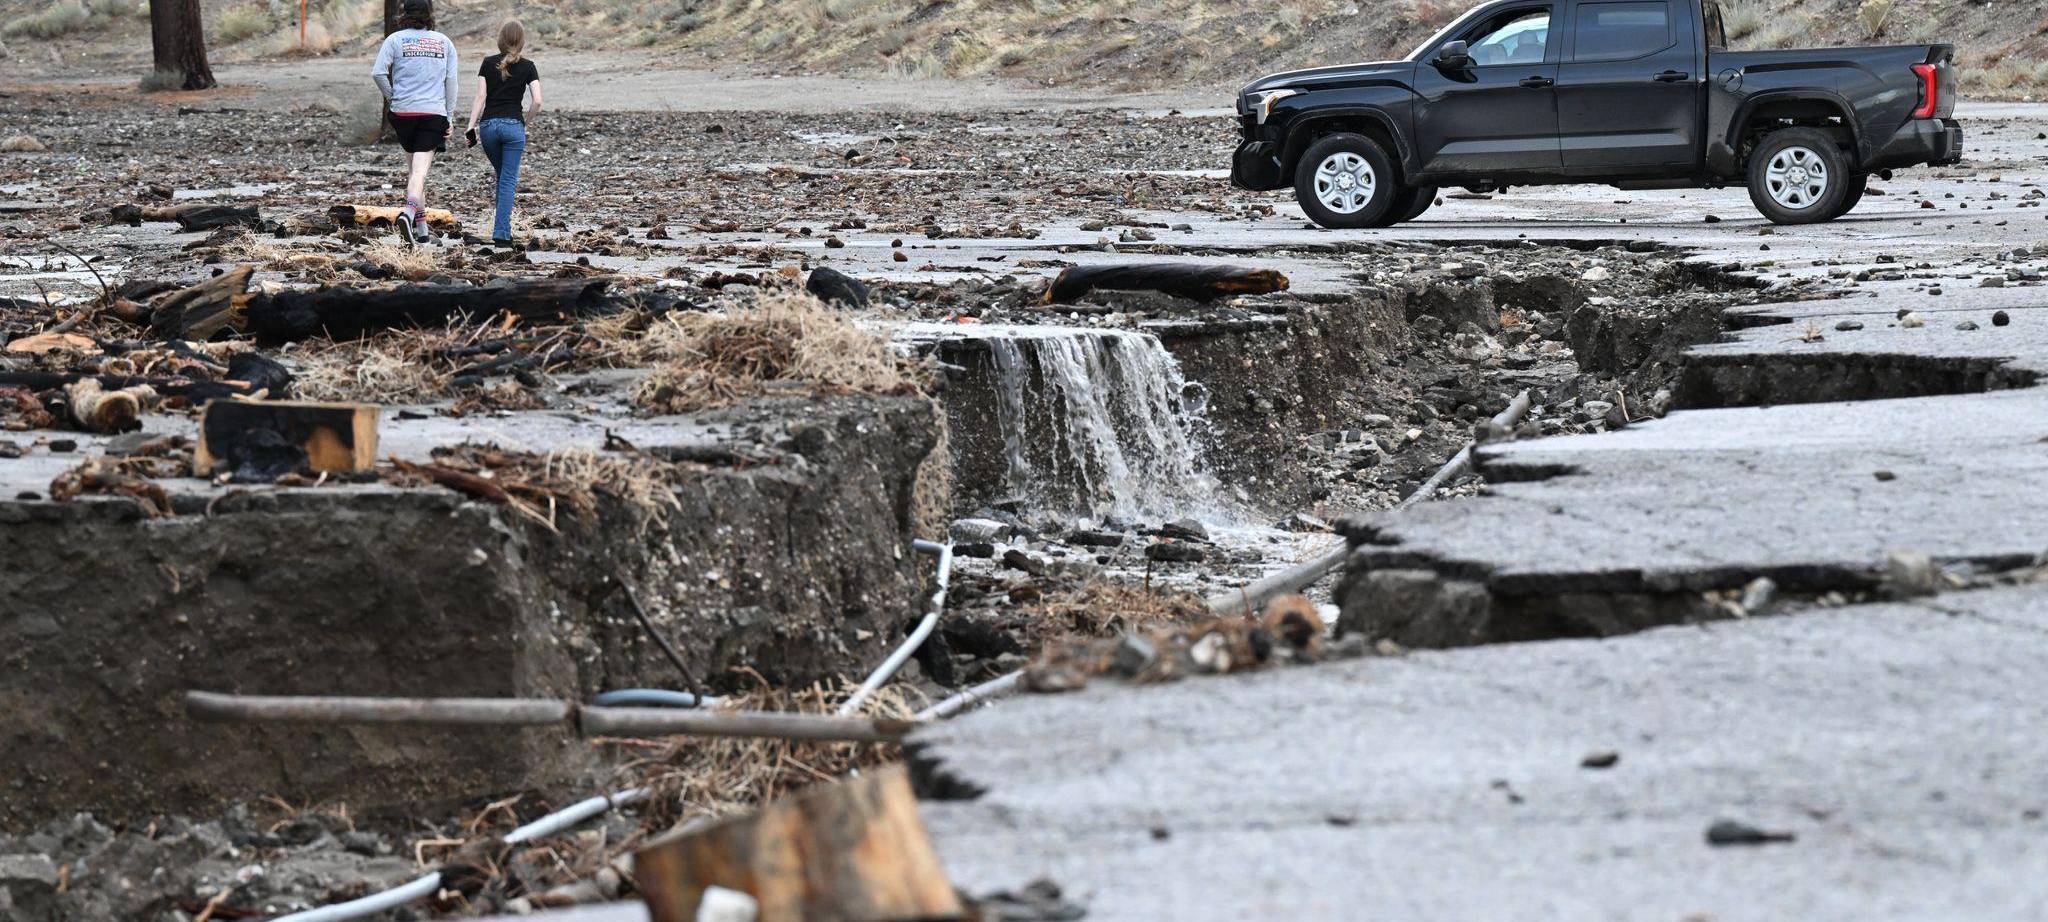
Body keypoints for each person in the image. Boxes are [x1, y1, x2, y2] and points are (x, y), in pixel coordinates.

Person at [370, 0, 459, 245]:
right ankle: (408, 214)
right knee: (420, 173)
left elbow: (378, 72)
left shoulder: (395, 40)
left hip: (403, 113)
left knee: (413, 173)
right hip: (432, 113)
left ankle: (421, 233)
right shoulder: (444, 42)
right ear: (429, 15)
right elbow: (451, 82)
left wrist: (393, 97)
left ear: (403, 15)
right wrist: (449, 116)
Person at [465, 20, 544, 246]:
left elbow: (480, 97)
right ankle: (501, 234)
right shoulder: (529, 66)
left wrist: (471, 126)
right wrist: (524, 123)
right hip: (513, 127)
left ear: (500, 40)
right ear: (521, 41)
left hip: (488, 127)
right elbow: (537, 101)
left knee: (503, 177)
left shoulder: (487, 63)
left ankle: (502, 229)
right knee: (508, 180)